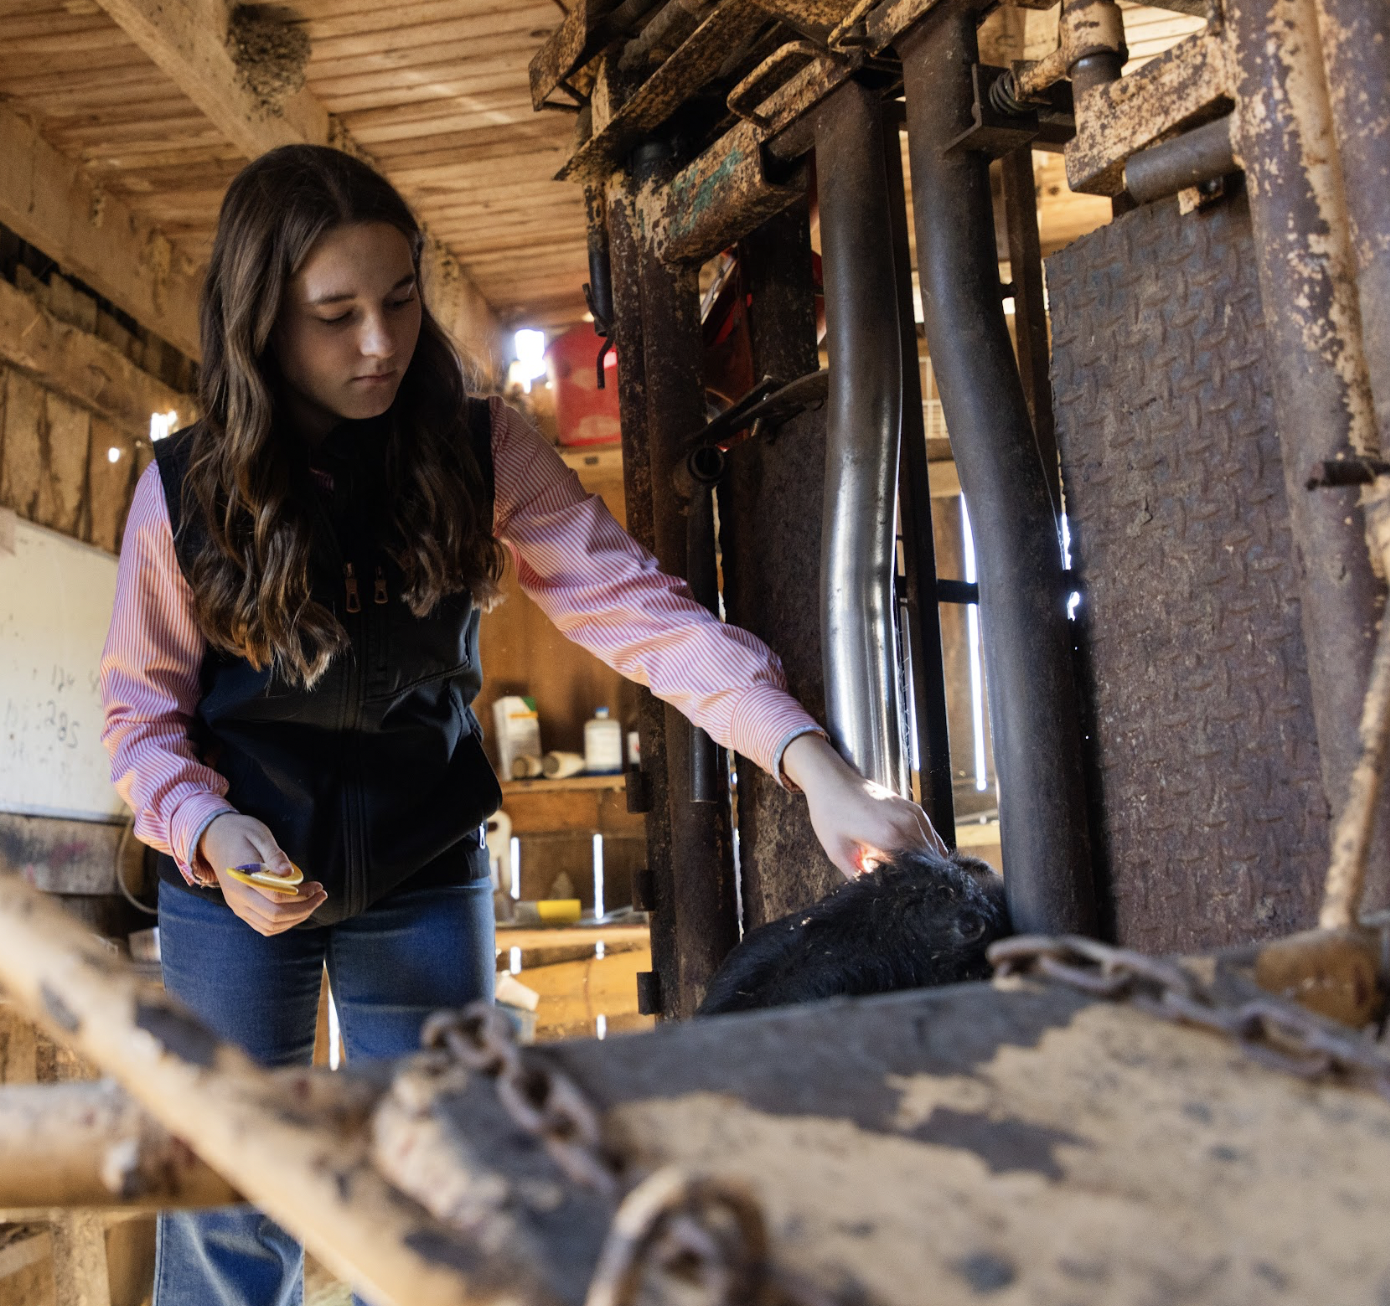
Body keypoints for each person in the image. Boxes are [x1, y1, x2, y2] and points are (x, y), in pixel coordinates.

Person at [100, 143, 944, 1306]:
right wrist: (201, 828)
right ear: (260, 324)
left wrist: (814, 766)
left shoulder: (479, 446)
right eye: (334, 315)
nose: (381, 343)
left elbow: (642, 615)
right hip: (235, 880)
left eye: (398, 300)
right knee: (232, 1207)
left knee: (449, 1196)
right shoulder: (183, 489)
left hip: (419, 861)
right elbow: (140, 716)